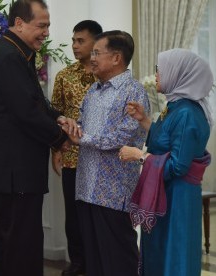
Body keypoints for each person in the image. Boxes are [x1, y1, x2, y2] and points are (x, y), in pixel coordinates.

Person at [0, 1, 77, 275]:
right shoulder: (9, 56)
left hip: (9, 170)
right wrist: (59, 138)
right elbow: (25, 112)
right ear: (19, 23)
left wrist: (56, 117)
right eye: (41, 26)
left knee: (12, 244)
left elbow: (32, 100)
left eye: (48, 26)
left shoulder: (17, 52)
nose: (46, 32)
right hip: (13, 171)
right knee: (19, 245)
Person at [119, 48, 213, 276]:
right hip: (167, 193)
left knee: (174, 255)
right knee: (161, 252)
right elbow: (166, 141)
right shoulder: (176, 107)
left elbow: (179, 166)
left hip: (178, 197)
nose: (157, 74)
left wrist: (139, 156)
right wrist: (144, 120)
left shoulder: (187, 113)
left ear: (179, 73)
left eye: (160, 69)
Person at [67, 30, 150, 276]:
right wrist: (69, 129)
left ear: (116, 58)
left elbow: (121, 138)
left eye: (96, 53)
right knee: (94, 259)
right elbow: (82, 125)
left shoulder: (133, 92)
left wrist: (81, 138)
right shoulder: (94, 90)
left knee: (119, 258)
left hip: (113, 191)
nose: (91, 58)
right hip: (86, 187)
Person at [50, 19, 102, 276]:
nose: (74, 45)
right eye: (73, 40)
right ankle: (78, 261)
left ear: (96, 42)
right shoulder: (64, 76)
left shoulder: (105, 75)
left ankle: (99, 262)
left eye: (80, 40)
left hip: (102, 158)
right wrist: (56, 150)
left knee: (98, 214)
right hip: (72, 156)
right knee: (73, 214)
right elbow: (55, 115)